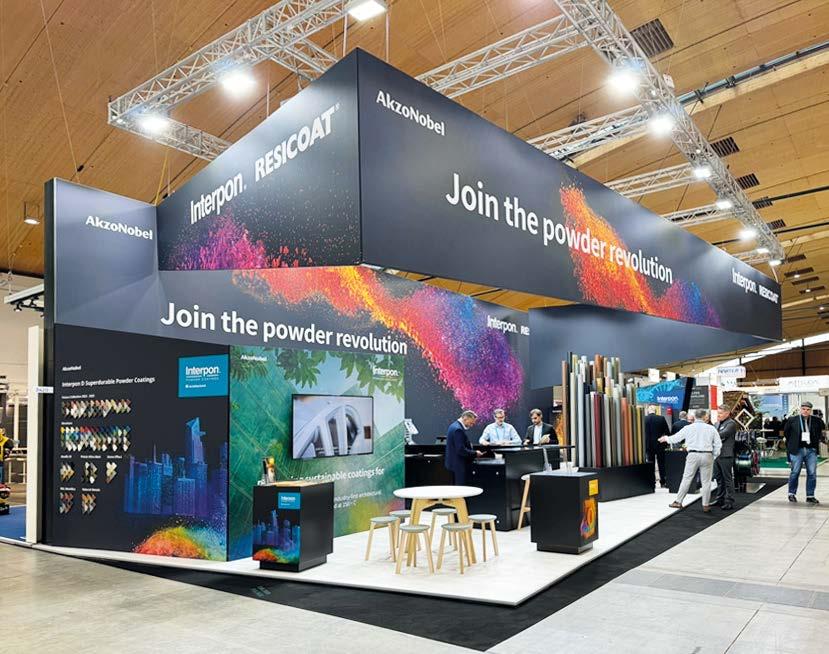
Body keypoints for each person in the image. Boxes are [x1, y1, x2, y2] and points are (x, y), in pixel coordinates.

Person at [659, 409, 722, 512]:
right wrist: (714, 455)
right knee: (706, 482)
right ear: (705, 417)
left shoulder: (688, 428)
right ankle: (705, 505)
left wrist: (665, 438)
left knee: (687, 478)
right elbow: (718, 444)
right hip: (707, 455)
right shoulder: (711, 428)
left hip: (693, 455)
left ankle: (678, 502)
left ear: (694, 417)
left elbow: (676, 438)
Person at [784, 401, 824, 504]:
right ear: (800, 409)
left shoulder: (816, 421)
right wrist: (791, 446)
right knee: (795, 472)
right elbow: (787, 434)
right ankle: (791, 494)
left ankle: (810, 496)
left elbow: (820, 432)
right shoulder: (792, 420)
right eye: (803, 409)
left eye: (808, 409)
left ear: (811, 410)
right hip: (797, 450)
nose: (805, 411)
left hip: (811, 451)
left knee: (812, 473)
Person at [444, 410, 483, 485]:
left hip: (453, 464)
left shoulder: (454, 426)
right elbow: (461, 450)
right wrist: (475, 453)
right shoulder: (458, 429)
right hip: (458, 465)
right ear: (465, 419)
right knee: (460, 488)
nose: (471, 425)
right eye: (471, 423)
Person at [713, 404, 737, 510]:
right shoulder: (716, 423)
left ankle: (729, 501)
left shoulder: (731, 423)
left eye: (721, 413)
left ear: (727, 413)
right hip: (716, 455)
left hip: (726, 455)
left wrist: (710, 435)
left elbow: (721, 434)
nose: (718, 415)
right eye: (718, 413)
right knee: (719, 479)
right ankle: (720, 499)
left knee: (727, 479)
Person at [645, 406, 671, 488]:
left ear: (648, 411)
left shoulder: (644, 419)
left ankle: (652, 483)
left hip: (648, 445)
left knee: (650, 463)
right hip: (660, 444)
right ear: (655, 411)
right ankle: (663, 482)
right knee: (662, 464)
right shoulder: (661, 418)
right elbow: (667, 432)